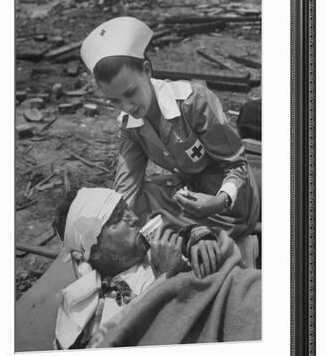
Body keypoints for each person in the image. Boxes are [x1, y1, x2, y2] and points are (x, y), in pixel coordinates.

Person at [80, 16, 260, 242]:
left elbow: (236, 164)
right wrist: (108, 225)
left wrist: (219, 201)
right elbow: (127, 186)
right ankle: (190, 233)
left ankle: (201, 234)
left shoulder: (194, 102)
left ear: (147, 70)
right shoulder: (130, 126)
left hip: (230, 201)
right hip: (189, 196)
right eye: (114, 101)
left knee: (167, 230)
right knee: (141, 198)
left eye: (131, 92)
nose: (127, 106)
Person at [53, 187, 261, 350]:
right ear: (95, 251)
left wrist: (201, 237)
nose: (134, 218)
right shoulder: (84, 316)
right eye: (118, 220)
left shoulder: (164, 247)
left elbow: (226, 268)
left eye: (127, 209)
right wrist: (166, 281)